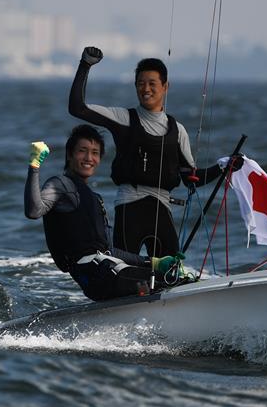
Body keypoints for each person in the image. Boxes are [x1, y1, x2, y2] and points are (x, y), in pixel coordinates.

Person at [69, 46, 228, 258]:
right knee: (126, 272)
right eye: (141, 84)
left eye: (152, 84)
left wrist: (223, 167)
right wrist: (85, 65)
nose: (146, 89)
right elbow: (77, 107)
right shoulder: (123, 118)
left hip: (162, 210)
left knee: (170, 273)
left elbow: (192, 179)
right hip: (129, 208)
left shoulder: (177, 131)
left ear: (165, 87)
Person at [24, 124, 180, 301]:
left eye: (95, 152)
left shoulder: (94, 198)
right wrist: (34, 165)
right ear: (69, 154)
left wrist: (154, 262)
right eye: (82, 151)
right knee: (170, 282)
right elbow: (34, 210)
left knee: (171, 278)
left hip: (107, 269)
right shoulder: (61, 185)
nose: (89, 157)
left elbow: (109, 250)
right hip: (95, 275)